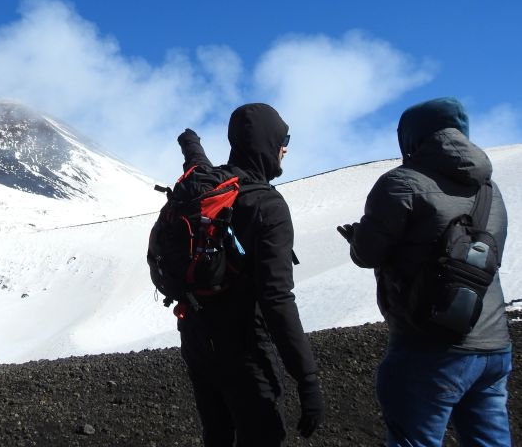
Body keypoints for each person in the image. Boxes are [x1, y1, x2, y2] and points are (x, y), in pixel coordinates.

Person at [338, 97, 511, 447]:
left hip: (428, 346)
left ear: (411, 138)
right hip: (494, 344)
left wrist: (357, 239)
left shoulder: (401, 183)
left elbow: (367, 254)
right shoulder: (490, 190)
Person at [177, 103, 324, 447]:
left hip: (198, 341)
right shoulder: (267, 206)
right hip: (245, 349)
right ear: (266, 142)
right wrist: (308, 379)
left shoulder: (205, 187)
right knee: (263, 435)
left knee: (218, 435)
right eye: (282, 138)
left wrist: (188, 141)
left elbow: (194, 161)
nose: (285, 147)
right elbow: (276, 299)